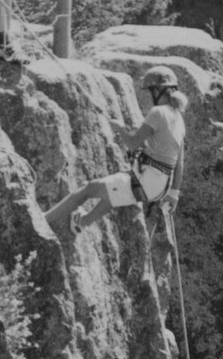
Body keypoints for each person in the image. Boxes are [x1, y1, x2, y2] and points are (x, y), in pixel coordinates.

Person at [44, 66, 187, 234]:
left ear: (157, 91)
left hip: (147, 180)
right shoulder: (178, 118)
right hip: (160, 185)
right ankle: (81, 223)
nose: (149, 96)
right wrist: (174, 193)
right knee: (114, 190)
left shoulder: (158, 112)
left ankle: (43, 219)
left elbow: (133, 143)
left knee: (87, 188)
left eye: (150, 91)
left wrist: (120, 129)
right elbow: (179, 160)